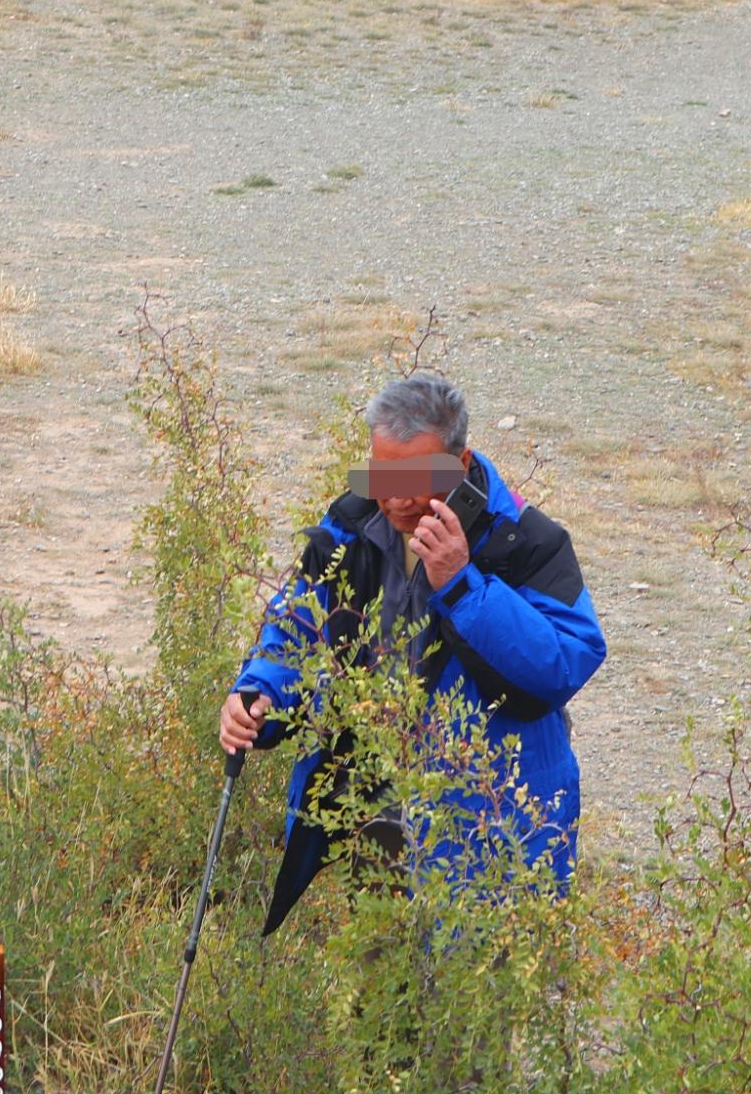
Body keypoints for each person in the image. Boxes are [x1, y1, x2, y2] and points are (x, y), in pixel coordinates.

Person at [218, 373, 606, 934]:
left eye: (418, 477)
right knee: (382, 995)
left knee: (477, 1002)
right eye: (384, 473)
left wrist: (462, 585)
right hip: (378, 813)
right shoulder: (351, 525)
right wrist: (259, 692)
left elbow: (567, 662)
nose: (397, 497)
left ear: (460, 460)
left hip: (490, 822)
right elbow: (297, 626)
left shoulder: (522, 539)